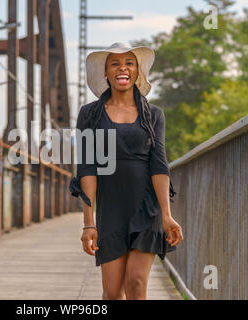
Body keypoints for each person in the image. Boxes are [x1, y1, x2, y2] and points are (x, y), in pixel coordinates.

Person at [69, 42, 183, 300]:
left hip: (146, 207)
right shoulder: (89, 115)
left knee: (136, 282)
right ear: (106, 73)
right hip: (110, 209)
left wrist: (167, 215)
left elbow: (159, 164)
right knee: (111, 292)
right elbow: (87, 168)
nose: (123, 68)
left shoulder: (153, 115)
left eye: (129, 63)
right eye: (115, 64)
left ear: (137, 71)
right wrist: (89, 224)